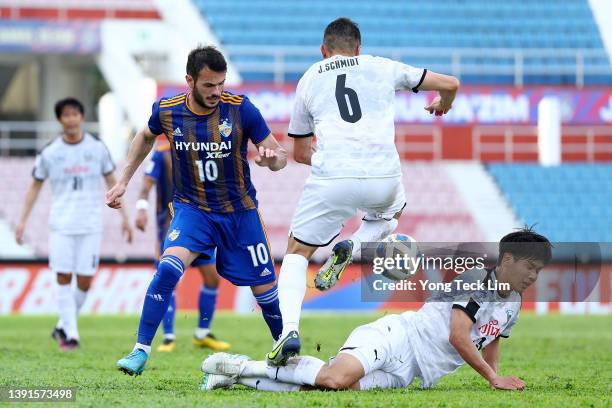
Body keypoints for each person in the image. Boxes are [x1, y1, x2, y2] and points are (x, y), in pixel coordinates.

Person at [269, 17, 461, 365]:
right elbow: (450, 83)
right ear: (359, 49)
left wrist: (335, 165)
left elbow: (298, 152)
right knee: (393, 212)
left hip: (332, 176)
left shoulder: (311, 76)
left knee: (296, 253)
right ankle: (353, 245)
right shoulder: (381, 66)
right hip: (382, 175)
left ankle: (289, 332)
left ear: (323, 50)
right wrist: (443, 102)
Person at [106, 45, 287, 376]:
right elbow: (144, 136)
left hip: (240, 213)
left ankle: (286, 349)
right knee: (167, 270)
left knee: (267, 294)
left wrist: (272, 158)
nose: (217, 91)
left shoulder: (241, 110)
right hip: (193, 211)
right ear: (190, 80)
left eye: (221, 83)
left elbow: (278, 155)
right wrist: (123, 182)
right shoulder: (168, 110)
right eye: (208, 85)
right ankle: (140, 351)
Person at [200, 228, 551, 392]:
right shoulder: (476, 279)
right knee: (336, 377)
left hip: (413, 371)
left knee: (329, 388)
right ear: (508, 260)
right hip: (398, 337)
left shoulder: (513, 303)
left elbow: (492, 339)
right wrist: (493, 379)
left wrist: (497, 375)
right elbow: (460, 337)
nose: (534, 276)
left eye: (539, 271)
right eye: (530, 267)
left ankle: (237, 378)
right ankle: (243, 365)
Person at [15, 97, 133, 350]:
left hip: (90, 223)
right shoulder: (50, 153)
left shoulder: (97, 148)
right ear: (60, 120)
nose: (71, 119)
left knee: (85, 280)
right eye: (66, 115)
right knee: (63, 275)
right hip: (61, 224)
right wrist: (22, 221)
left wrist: (125, 218)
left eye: (75, 114)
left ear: (81, 117)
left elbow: (113, 182)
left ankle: (63, 325)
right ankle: (71, 335)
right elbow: (34, 188)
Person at [135, 138, 230, 352]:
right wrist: (141, 208)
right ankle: (168, 337)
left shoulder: (201, 146)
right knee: (169, 277)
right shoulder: (162, 152)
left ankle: (202, 334)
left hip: (202, 225)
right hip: (171, 224)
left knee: (212, 278)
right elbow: (146, 183)